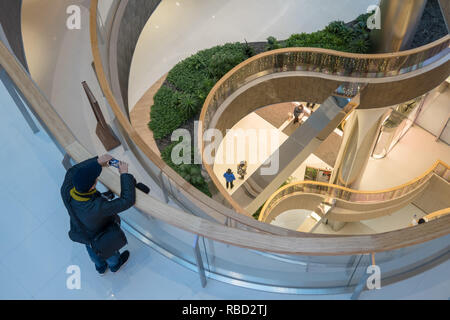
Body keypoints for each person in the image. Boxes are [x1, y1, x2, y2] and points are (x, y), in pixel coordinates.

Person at [61, 154, 136, 275]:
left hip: (81, 232)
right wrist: (125, 174)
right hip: (100, 235)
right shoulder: (97, 208)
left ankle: (100, 267)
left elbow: (72, 170)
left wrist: (96, 162)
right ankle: (115, 265)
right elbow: (127, 201)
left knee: (91, 249)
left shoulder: (66, 189)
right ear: (92, 186)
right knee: (109, 252)